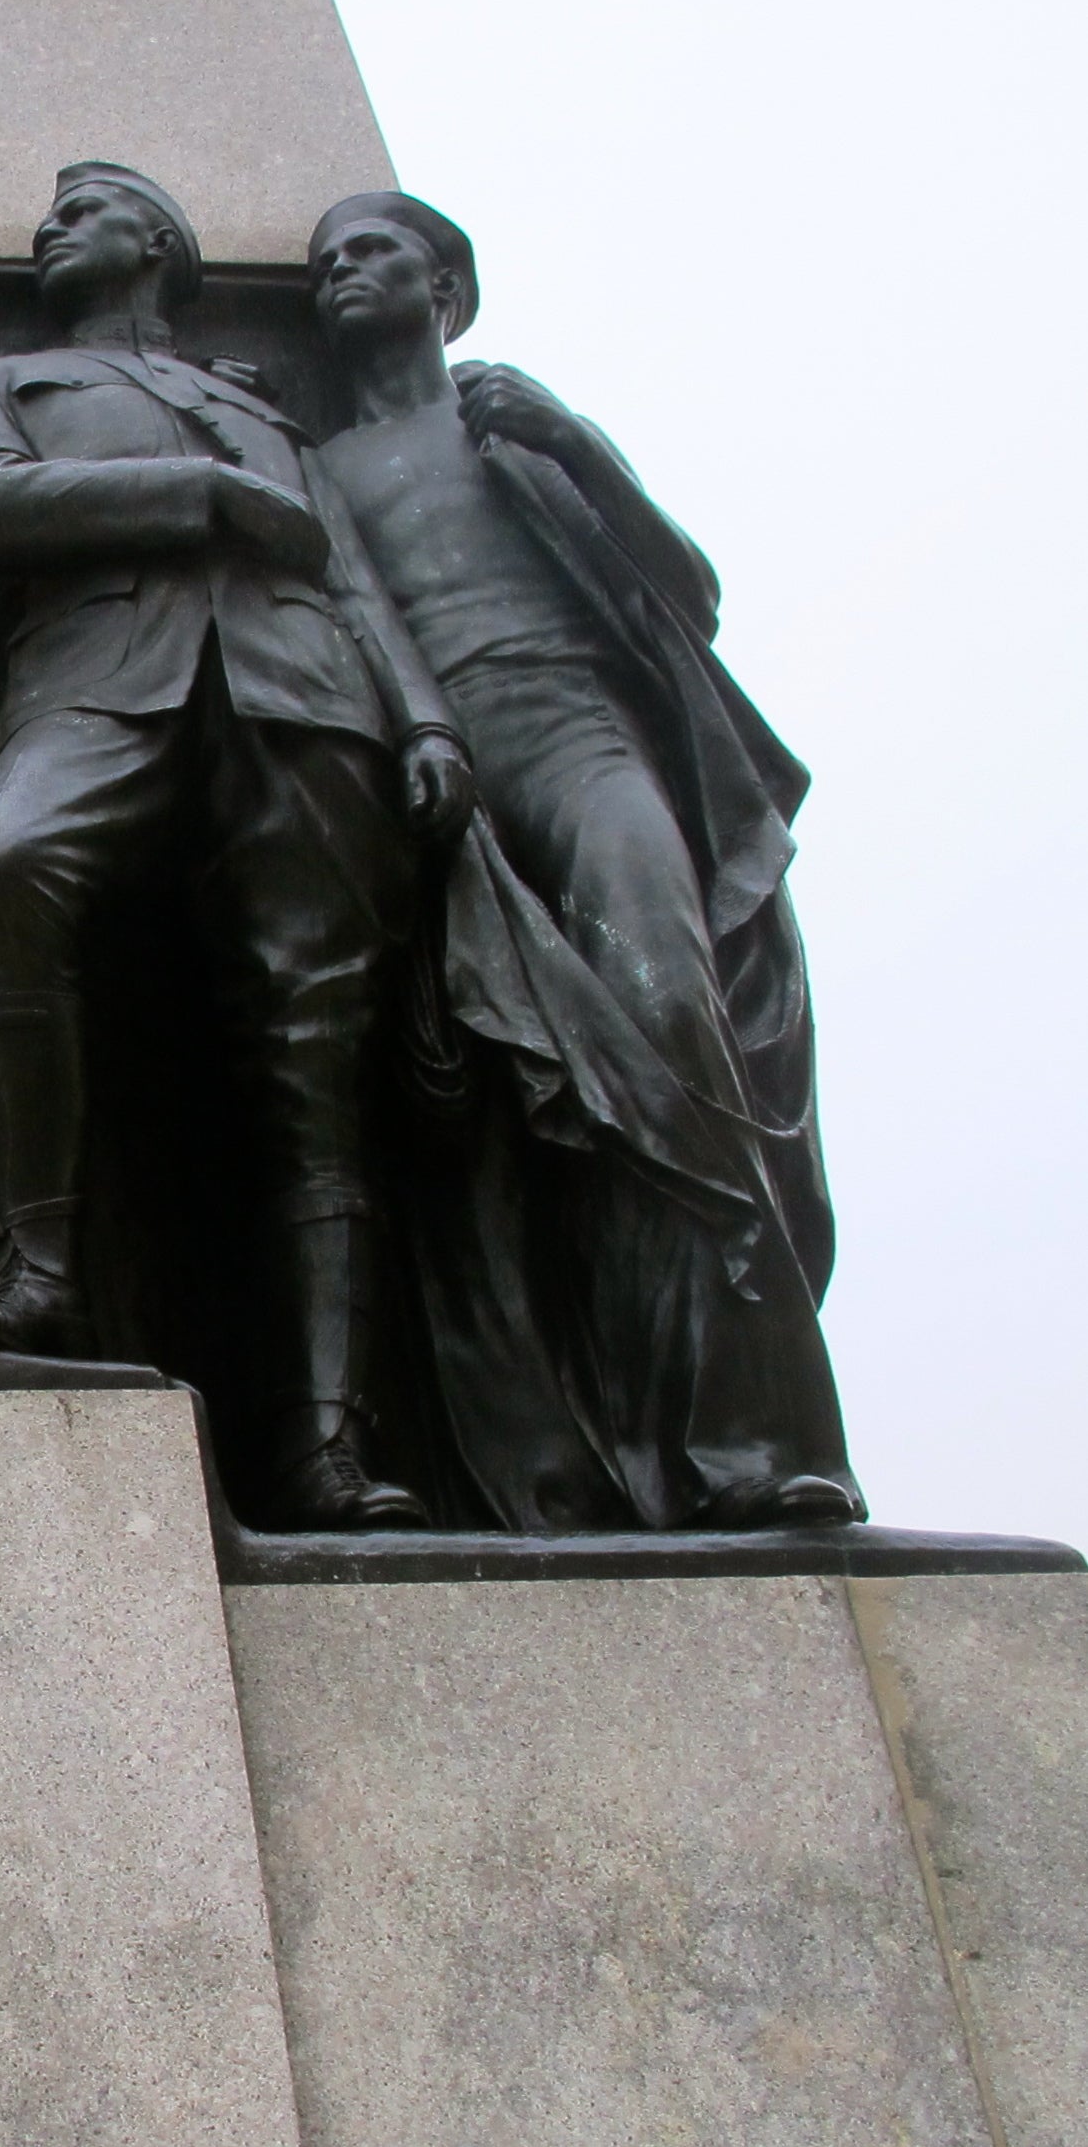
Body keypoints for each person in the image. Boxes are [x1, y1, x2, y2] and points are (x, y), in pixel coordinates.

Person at [0, 163, 468, 1529]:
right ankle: (35, 1265)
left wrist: (423, 720)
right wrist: (203, 496)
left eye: (86, 211)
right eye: (45, 211)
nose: (50, 227)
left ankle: (326, 1439)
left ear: (158, 242)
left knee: (311, 1049)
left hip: (303, 696)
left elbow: (346, 569)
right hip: (99, 676)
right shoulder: (1, 380)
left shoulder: (256, 400)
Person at [308, 191, 858, 1528]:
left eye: (369, 252)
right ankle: (580, 1454)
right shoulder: (321, 463)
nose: (335, 274)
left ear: (444, 286)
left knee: (672, 1024)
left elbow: (689, 591)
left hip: (577, 732)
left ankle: (758, 1440)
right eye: (322, 260)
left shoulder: (508, 420)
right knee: (507, 1102)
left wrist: (575, 450)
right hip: (441, 777)